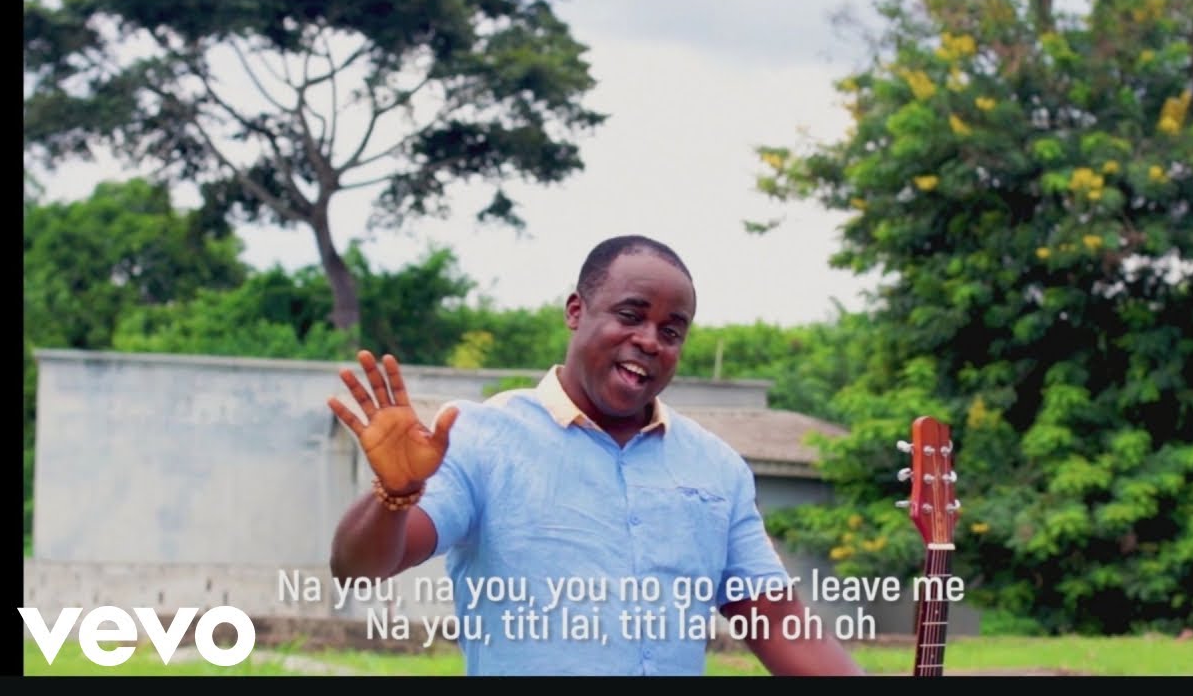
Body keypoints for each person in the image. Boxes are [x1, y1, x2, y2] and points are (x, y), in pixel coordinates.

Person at [327, 234, 865, 676]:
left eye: (671, 331)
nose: (650, 340)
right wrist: (394, 496)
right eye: (631, 315)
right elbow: (358, 568)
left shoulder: (716, 467)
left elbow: (778, 622)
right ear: (575, 310)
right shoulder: (483, 438)